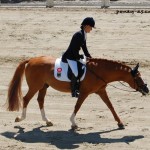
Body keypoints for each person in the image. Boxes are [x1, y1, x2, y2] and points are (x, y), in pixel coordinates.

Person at [62, 17, 95, 98]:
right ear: (86, 26)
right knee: (76, 72)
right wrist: (79, 58)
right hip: (70, 56)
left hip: (75, 55)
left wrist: (89, 57)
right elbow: (73, 50)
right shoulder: (78, 35)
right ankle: (73, 91)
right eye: (91, 27)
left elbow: (84, 47)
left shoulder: (84, 34)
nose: (91, 29)